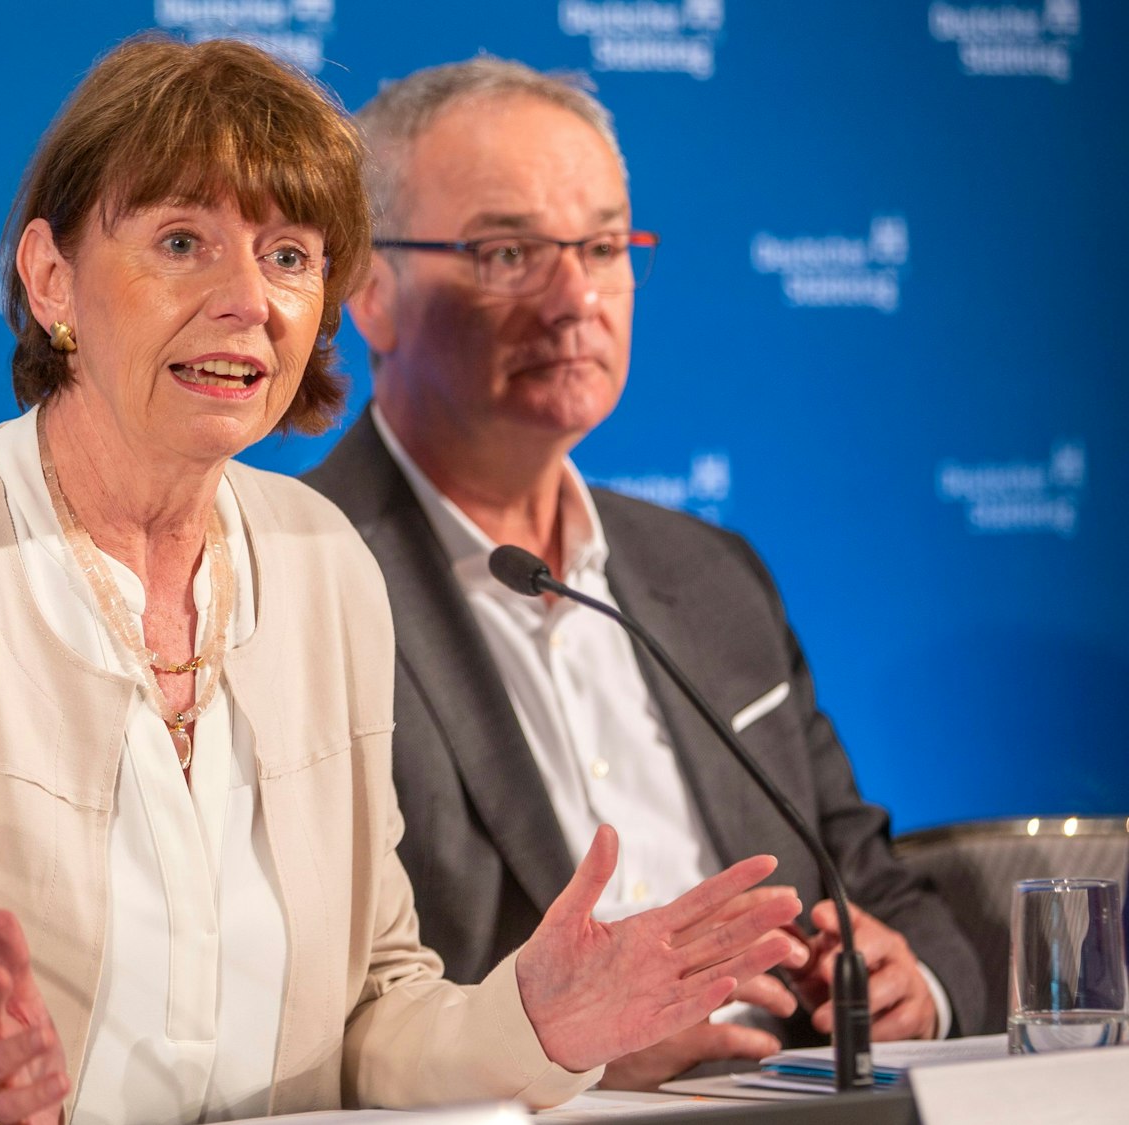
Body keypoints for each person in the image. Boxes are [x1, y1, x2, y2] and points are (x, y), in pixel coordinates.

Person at [0, 36, 801, 1125]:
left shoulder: (323, 565)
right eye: (181, 241)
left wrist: (536, 1019)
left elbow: (372, 1022)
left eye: (288, 256)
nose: (246, 301)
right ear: (51, 279)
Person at [304, 56, 990, 1090]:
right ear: (370, 293)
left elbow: (875, 886)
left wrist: (911, 985)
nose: (574, 296)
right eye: (506, 251)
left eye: (601, 245)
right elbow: (308, 998)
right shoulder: (294, 577)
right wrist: (568, 1051)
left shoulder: (706, 574)